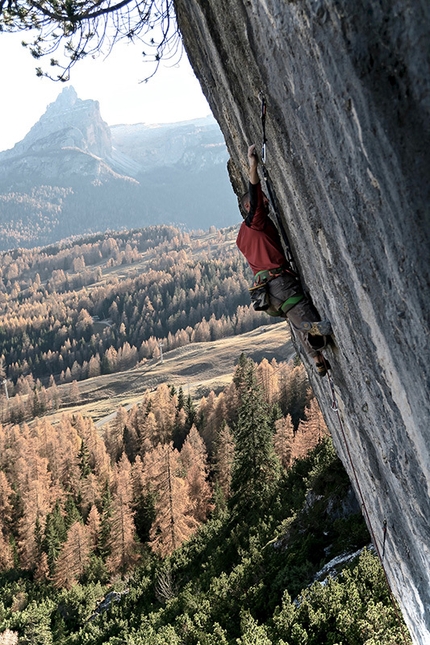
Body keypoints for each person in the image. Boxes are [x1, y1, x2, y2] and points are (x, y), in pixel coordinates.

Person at [236, 144, 332, 376]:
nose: (267, 202)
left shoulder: (242, 235)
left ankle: (317, 358)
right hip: (281, 284)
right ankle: (316, 337)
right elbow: (255, 191)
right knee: (308, 320)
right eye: (263, 201)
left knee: (294, 315)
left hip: (269, 293)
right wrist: (253, 165)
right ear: (250, 207)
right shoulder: (255, 222)